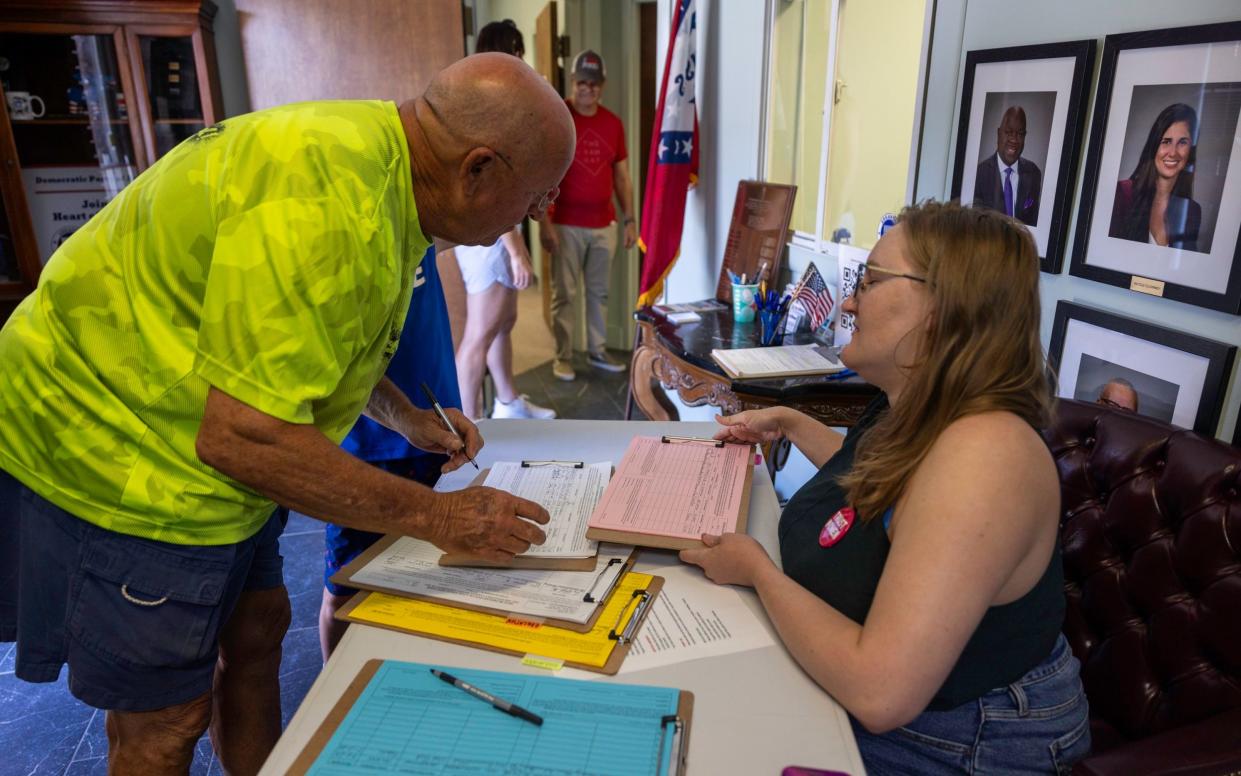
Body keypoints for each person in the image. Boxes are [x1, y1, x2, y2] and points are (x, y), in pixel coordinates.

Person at [0, 53, 574, 774]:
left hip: (203, 429)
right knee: (164, 721)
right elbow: (242, 437)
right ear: (478, 168)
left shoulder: (388, 164)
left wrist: (399, 415)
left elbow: (314, 342)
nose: (536, 215)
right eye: (535, 196)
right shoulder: (328, 207)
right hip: (119, 443)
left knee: (261, 627)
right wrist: (445, 519)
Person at [681, 202, 1090, 773]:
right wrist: (794, 424)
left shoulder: (985, 459)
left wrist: (758, 573)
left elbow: (881, 694)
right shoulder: (916, 405)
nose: (849, 301)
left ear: (945, 307)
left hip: (961, 736)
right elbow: (890, 494)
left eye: (869, 281)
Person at [318, 246, 460, 659]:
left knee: (430, 574)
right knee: (347, 587)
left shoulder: (422, 219)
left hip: (435, 421)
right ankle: (335, 692)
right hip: (367, 441)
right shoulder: (350, 231)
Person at [454, 19, 555, 420]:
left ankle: (508, 403)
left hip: (490, 231)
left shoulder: (487, 100)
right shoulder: (487, 105)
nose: (522, 61)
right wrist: (516, 250)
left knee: (504, 320)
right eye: (517, 52)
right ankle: (470, 424)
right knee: (479, 333)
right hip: (488, 234)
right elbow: (493, 187)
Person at [540, 49, 637, 382]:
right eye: (582, 82)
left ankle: (597, 351)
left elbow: (622, 176)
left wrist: (630, 219)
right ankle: (563, 356)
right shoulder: (557, 116)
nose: (587, 89)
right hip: (565, 225)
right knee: (564, 295)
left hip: (603, 225)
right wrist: (545, 224)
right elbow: (542, 173)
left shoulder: (613, 124)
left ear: (602, 85)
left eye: (594, 84)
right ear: (572, 82)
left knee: (599, 294)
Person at [1109, 103, 1201, 252]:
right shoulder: (1121, 194)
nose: (1173, 153)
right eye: (1166, 141)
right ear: (1154, 145)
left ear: (1191, 151)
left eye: (1182, 142)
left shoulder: (1191, 211)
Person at [973, 106, 1043, 227]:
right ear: (999, 133)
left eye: (1020, 134)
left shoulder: (1034, 173)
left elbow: (1033, 223)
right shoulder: (979, 174)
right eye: (1009, 132)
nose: (1014, 140)